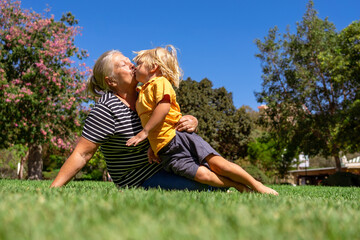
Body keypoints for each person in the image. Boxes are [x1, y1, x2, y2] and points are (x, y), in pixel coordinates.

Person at [50, 49, 214, 191]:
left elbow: (169, 121)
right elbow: (82, 153)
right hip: (139, 179)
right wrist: (53, 189)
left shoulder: (145, 94)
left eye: (130, 61)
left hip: (168, 162)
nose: (132, 65)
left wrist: (191, 120)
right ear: (111, 81)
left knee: (216, 170)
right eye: (123, 64)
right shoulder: (106, 109)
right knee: (207, 185)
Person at [126, 45, 278, 195]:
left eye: (139, 64)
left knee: (218, 165)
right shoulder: (142, 91)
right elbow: (151, 119)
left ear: (153, 67)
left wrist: (145, 132)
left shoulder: (160, 83)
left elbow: (164, 107)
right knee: (203, 175)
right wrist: (154, 145)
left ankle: (257, 185)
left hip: (179, 138)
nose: (135, 67)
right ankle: (238, 186)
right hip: (166, 151)